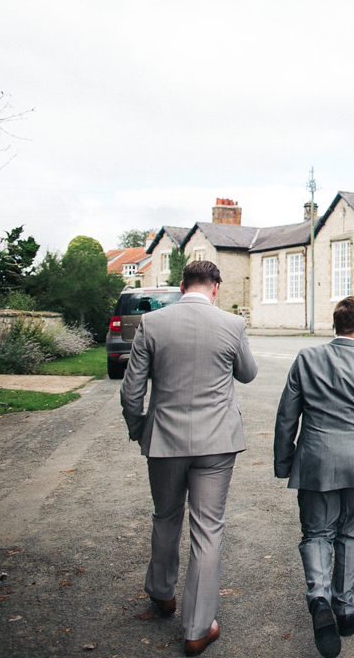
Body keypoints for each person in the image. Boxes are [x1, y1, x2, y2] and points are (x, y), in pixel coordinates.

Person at [120, 260, 258, 657]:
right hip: (216, 443)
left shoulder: (153, 324)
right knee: (208, 528)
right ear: (215, 287)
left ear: (182, 286)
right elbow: (247, 374)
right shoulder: (231, 324)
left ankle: (162, 593)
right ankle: (197, 629)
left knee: (165, 516)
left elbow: (132, 393)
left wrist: (140, 428)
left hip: (164, 440)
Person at [274, 296, 354, 658]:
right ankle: (344, 608)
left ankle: (319, 597)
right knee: (349, 533)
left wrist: (285, 462)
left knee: (316, 532)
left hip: (314, 460)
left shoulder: (307, 359)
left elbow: (287, 417)